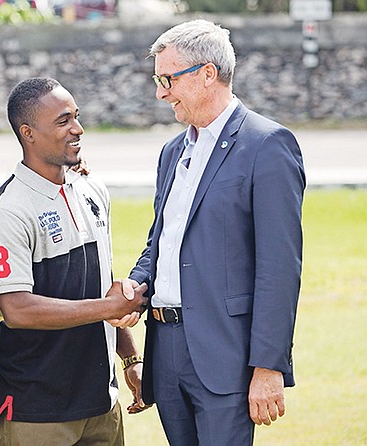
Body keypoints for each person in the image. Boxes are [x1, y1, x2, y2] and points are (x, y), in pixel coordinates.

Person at [122, 19, 306, 445]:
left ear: (207, 74)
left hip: (227, 357)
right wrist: (137, 282)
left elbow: (279, 269)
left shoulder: (268, 145)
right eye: (158, 79)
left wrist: (269, 366)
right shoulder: (172, 151)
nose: (160, 92)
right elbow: (161, 241)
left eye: (168, 79)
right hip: (165, 352)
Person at [0, 77, 150, 446]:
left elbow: (104, 286)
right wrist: (108, 306)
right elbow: (18, 310)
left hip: (102, 407)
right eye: (63, 121)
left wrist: (130, 358)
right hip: (36, 413)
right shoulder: (8, 211)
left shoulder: (92, 189)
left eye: (76, 116)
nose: (78, 128)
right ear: (28, 133)